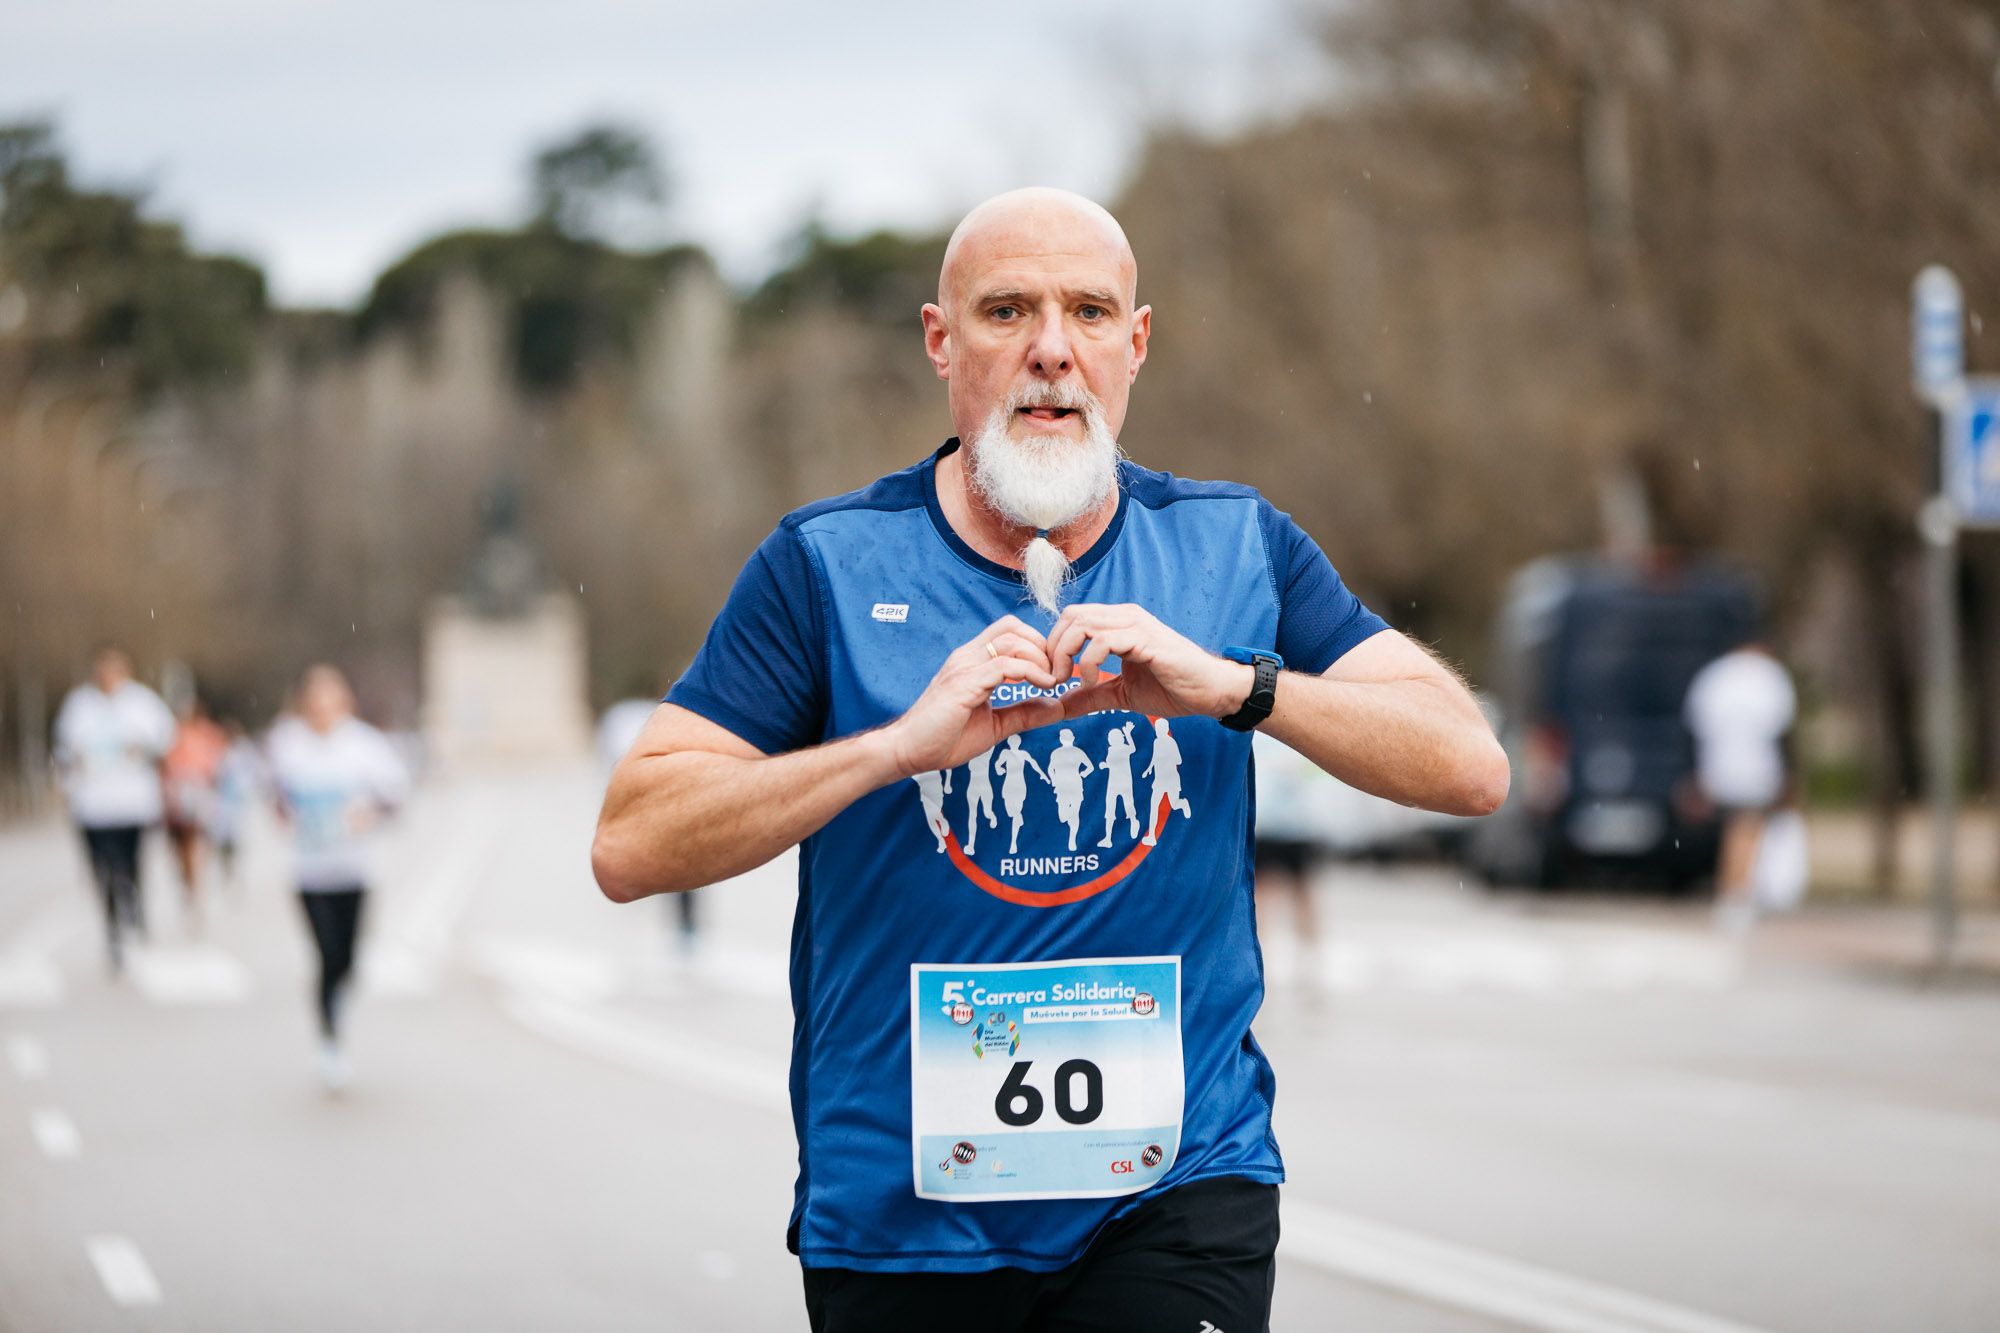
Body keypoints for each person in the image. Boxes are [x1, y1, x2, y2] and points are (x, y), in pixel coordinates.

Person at [594, 188, 1508, 1333]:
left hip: (1176, 1194)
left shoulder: (1231, 545)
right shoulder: (825, 565)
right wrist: (890, 749)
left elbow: (1468, 767)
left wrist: (1237, 687)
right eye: (1005, 312)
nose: (1049, 352)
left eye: (1087, 312)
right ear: (940, 342)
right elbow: (630, 843)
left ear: (1135, 346)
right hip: (902, 1220)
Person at [267, 665, 409, 1092]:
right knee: (326, 953)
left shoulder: (365, 746)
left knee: (348, 960)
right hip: (309, 871)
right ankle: (329, 1038)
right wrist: (290, 818)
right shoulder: (287, 744)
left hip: (355, 868)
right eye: (315, 700)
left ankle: (336, 1008)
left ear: (344, 702)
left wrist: (368, 815)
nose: (322, 709)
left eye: (330, 700)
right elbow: (273, 795)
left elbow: (395, 797)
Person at [53, 647, 177, 973]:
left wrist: (142, 751)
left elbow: (165, 744)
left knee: (129, 866)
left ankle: (134, 907)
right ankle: (112, 929)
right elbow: (65, 752)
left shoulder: (143, 704)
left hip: (132, 805)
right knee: (102, 870)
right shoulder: (79, 706)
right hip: (92, 806)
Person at [1683, 639, 1797, 930]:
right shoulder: (1768, 677)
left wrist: (1695, 772)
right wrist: (1788, 772)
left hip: (1718, 765)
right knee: (1747, 828)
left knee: (1734, 829)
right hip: (1756, 766)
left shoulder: (1715, 676)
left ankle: (1734, 891)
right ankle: (1737, 895)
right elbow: (1781, 728)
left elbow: (1695, 725)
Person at [162, 695, 228, 929]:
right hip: (180, 795)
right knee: (182, 847)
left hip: (199, 794)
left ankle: (196, 885)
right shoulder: (172, 735)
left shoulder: (207, 734)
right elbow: (165, 766)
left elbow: (217, 763)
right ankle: (190, 884)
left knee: (197, 843)